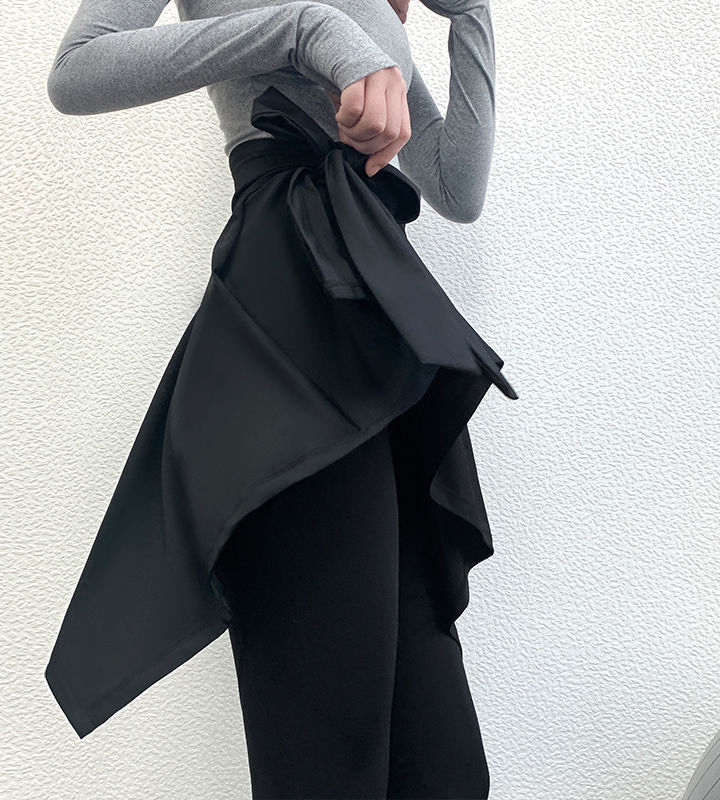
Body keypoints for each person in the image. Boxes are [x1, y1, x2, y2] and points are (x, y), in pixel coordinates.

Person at [43, 0, 518, 797]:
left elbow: (456, 185)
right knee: (329, 746)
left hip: (381, 323)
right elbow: (77, 69)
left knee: (443, 766)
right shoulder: (312, 22)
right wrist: (302, 28)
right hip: (290, 314)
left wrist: (471, 15)